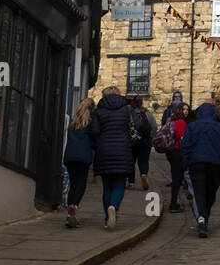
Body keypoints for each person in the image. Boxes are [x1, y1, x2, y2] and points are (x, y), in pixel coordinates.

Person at [178, 102, 220, 238]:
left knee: (199, 192)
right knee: (210, 194)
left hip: (196, 164)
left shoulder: (192, 127)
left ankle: (202, 218)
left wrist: (185, 165)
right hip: (215, 165)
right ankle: (203, 218)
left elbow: (185, 147)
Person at [87, 85, 136, 229]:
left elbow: (94, 132)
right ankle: (113, 207)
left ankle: (107, 217)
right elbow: (138, 126)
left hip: (104, 150)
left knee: (107, 186)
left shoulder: (99, 111)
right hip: (123, 150)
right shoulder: (127, 109)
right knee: (119, 184)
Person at [62, 96, 96, 228]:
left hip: (70, 157)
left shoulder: (72, 122)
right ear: (91, 108)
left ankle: (70, 215)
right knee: (81, 183)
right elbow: (94, 138)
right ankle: (74, 205)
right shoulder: (91, 123)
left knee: (73, 183)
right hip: (83, 157)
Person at [164, 102, 192, 213]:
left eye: (187, 109)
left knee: (177, 179)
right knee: (177, 179)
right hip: (177, 152)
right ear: (179, 110)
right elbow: (182, 139)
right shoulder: (181, 122)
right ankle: (173, 204)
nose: (186, 111)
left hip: (172, 151)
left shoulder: (172, 120)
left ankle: (174, 202)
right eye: (184, 109)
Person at [129, 95, 155, 191]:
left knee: (131, 161)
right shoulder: (147, 113)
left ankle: (131, 182)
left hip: (133, 140)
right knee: (144, 160)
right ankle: (143, 174)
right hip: (145, 139)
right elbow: (154, 126)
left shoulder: (130, 113)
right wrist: (151, 137)